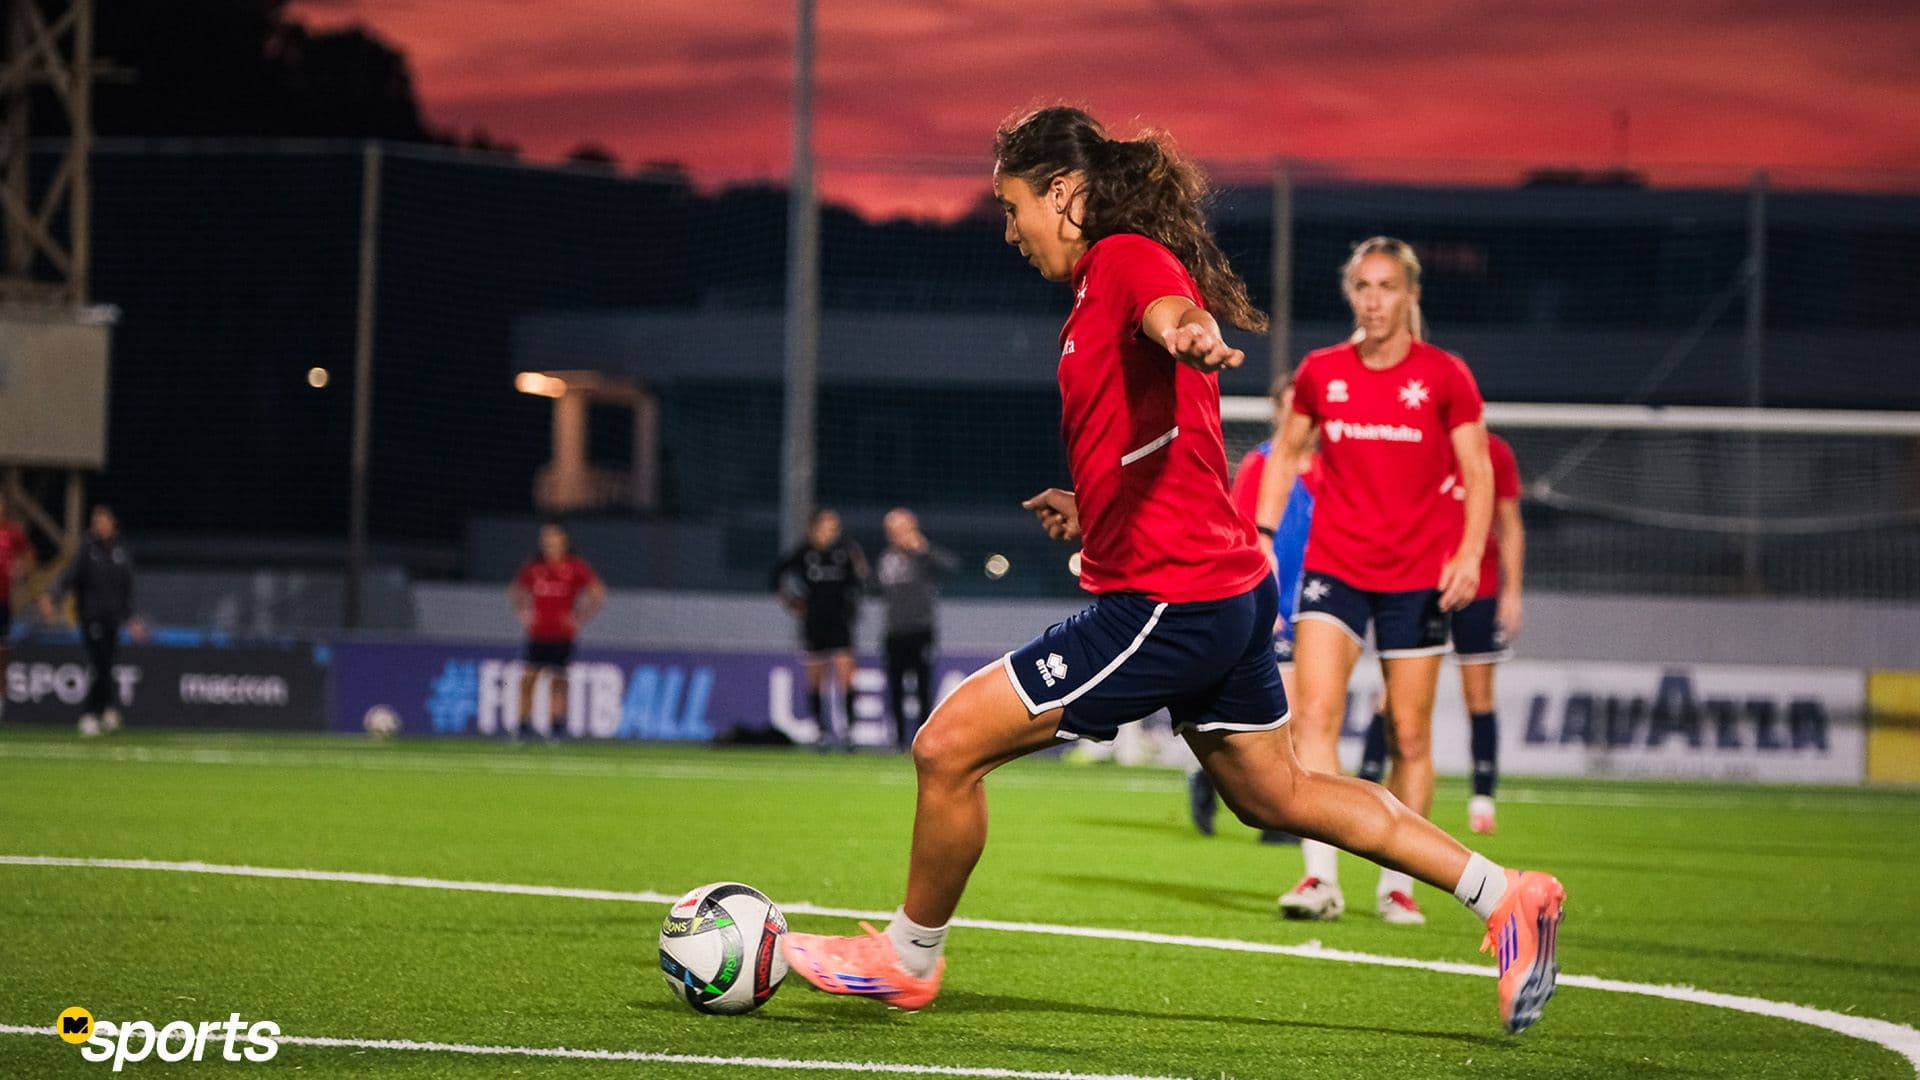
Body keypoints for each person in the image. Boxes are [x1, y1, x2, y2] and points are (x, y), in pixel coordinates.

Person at [780, 107, 1565, 1036]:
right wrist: (1093, 506)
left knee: (946, 747)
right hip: (1219, 589)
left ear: (1063, 194)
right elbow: (1157, 435)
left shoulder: (1124, 259)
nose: (1010, 229)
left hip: (1171, 601)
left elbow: (1170, 310)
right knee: (1277, 794)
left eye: (1013, 206)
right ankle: (1507, 895)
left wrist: (1189, 331)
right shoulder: (1095, 286)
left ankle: (906, 960)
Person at [1256, 236, 1495, 927]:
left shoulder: (1446, 376)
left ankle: (1398, 885)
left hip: (1417, 576)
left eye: (1388, 286)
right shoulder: (1322, 371)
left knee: (1409, 736)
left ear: (1411, 294)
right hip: (1335, 566)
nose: (1374, 300)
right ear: (1350, 293)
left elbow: (1477, 471)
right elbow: (1285, 454)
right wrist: (1265, 538)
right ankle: (1319, 878)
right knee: (1313, 719)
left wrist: (1469, 554)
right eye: (1363, 286)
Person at [1358, 433, 1525, 834]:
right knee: (1392, 695)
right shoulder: (1417, 441)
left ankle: (1482, 800)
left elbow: (1509, 525)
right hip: (1418, 585)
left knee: (1479, 695)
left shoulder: (1496, 452)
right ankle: (1365, 785)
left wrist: (1513, 592)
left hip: (1477, 588)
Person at [1187, 373, 1317, 841]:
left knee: (1304, 717)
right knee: (1286, 715)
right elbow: (1238, 530)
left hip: (1314, 606)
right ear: (1277, 412)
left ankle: (1248, 797)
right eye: (1289, 406)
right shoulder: (1261, 465)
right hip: (1269, 603)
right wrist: (1259, 600)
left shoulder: (1327, 472)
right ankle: (1251, 803)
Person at [39, 505, 144, 736]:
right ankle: (90, 713)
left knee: (106, 665)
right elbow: (70, 576)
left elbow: (126, 589)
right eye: (97, 521)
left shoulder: (120, 551)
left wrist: (132, 618)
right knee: (99, 664)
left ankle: (106, 709)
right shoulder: (87, 550)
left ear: (113, 523)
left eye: (104, 521)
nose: (100, 525)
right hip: (91, 616)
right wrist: (53, 596)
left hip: (113, 618)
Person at [769, 508, 869, 750]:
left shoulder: (844, 552)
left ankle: (849, 731)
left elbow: (861, 582)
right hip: (814, 623)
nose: (833, 531)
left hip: (840, 622)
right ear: (815, 528)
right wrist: (791, 602)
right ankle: (820, 730)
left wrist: (860, 567)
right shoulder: (804, 553)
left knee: (846, 674)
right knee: (816, 679)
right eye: (828, 526)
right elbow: (776, 575)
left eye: (835, 527)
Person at [507, 523, 605, 738]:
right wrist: (524, 613)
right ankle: (523, 726)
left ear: (563, 542)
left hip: (562, 635)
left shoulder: (574, 567)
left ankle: (555, 726)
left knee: (558, 681)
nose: (550, 544)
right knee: (528, 679)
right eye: (546, 540)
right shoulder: (534, 567)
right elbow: (516, 590)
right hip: (538, 634)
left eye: (554, 539)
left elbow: (597, 592)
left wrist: (580, 617)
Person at [876, 508, 959, 750]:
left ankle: (924, 738)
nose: (895, 535)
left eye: (901, 529)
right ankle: (899, 739)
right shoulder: (886, 558)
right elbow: (874, 586)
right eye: (892, 530)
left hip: (920, 630)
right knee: (895, 687)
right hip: (894, 632)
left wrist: (923, 549)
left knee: (923, 686)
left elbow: (952, 567)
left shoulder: (923, 556)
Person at [0, 491, 35, 721]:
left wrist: (21, 569)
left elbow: (29, 556)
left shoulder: (12, 533)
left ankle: (0, 702)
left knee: (2, 654)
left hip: (3, 603)